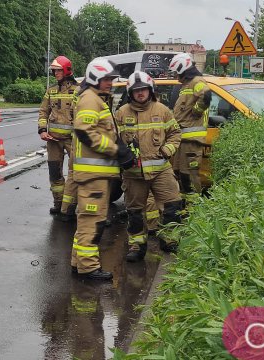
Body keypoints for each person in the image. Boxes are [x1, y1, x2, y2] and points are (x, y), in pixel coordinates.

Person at [70, 58, 135, 280]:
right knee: (93, 221)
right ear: (96, 77)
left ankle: (78, 263)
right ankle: (88, 268)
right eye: (107, 79)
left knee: (86, 221)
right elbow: (85, 132)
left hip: (95, 174)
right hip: (93, 175)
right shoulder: (90, 100)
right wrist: (116, 150)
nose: (110, 83)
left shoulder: (96, 99)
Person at [115, 71, 182, 260]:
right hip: (133, 174)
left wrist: (168, 150)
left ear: (150, 90)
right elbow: (114, 140)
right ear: (130, 93)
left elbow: (175, 134)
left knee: (172, 205)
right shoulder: (121, 113)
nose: (140, 93)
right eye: (136, 91)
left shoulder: (162, 110)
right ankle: (137, 246)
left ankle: (169, 240)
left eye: (144, 89)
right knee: (135, 212)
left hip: (161, 170)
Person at [38, 56, 79, 220]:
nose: (56, 73)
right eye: (54, 70)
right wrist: (42, 130)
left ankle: (69, 208)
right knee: (54, 173)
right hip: (53, 140)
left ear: (67, 70)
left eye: (59, 70)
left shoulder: (78, 90)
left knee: (75, 174)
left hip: (72, 140)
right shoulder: (51, 90)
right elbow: (43, 111)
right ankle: (58, 203)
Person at [168, 53, 211, 197]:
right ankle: (185, 207)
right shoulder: (187, 84)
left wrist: (196, 111)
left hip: (192, 141)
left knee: (190, 177)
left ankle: (194, 209)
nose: (175, 75)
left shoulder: (196, 81)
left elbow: (206, 95)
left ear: (183, 68)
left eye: (176, 72)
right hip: (183, 140)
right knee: (181, 175)